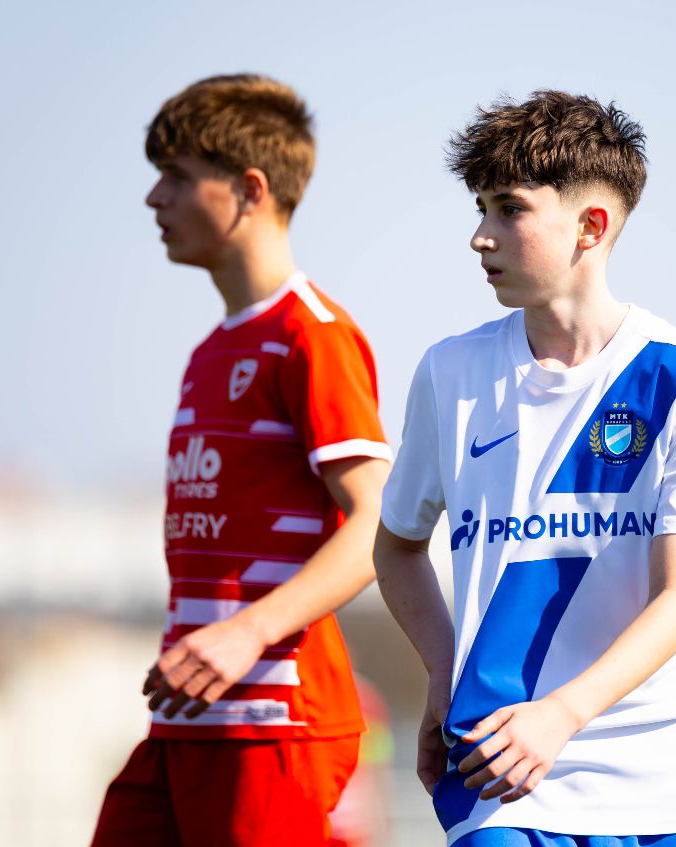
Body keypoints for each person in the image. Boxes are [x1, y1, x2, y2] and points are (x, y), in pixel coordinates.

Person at [374, 90, 676, 847]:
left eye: (509, 209)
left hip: (663, 774)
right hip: (499, 767)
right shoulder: (449, 373)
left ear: (591, 226)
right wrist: (446, 672)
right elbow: (397, 546)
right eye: (480, 208)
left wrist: (564, 713)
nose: (480, 236)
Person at [92, 74, 391, 846]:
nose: (154, 198)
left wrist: (248, 632)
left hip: (273, 719)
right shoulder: (209, 352)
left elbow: (379, 523)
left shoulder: (312, 335)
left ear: (250, 189)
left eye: (177, 176)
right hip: (189, 716)